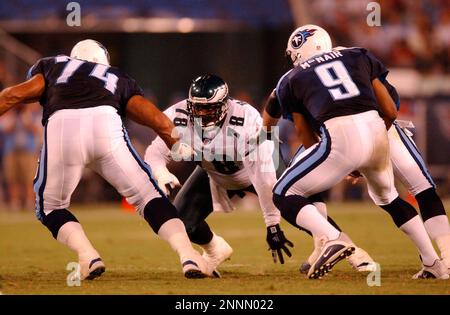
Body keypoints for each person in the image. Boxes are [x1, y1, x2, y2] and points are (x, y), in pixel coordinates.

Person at [0, 39, 212, 280]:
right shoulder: (115, 76)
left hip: (63, 128)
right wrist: (176, 143)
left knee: (51, 207)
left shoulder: (55, 65)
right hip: (105, 126)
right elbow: (151, 116)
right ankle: (189, 256)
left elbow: (12, 95)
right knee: (148, 197)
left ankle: (88, 256)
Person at [263, 25, 448, 279]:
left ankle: (331, 238)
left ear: (296, 53)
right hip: (380, 128)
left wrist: (346, 160)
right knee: (399, 195)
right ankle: (436, 262)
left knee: (284, 192)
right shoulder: (356, 55)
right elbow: (392, 110)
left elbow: (295, 130)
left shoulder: (291, 78)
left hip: (341, 136)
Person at [145, 74, 293, 276]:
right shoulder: (177, 115)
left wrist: (272, 224)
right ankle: (215, 249)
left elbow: (264, 172)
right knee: (180, 223)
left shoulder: (246, 118)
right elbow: (154, 152)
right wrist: (162, 173)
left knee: (298, 204)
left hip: (257, 168)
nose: (201, 113)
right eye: (197, 107)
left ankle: (334, 241)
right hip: (214, 173)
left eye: (208, 108)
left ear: (224, 105)